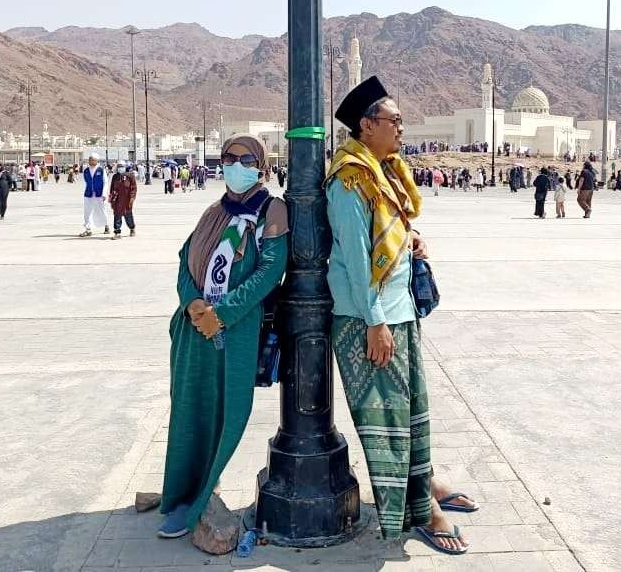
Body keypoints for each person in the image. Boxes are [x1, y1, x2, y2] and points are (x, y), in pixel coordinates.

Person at [325, 77, 471, 555]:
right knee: (387, 418)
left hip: (398, 311)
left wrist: (411, 240)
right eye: (395, 121)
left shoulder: (384, 172)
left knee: (412, 411)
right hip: (369, 319)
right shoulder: (351, 178)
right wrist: (374, 322)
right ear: (367, 127)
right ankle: (416, 511)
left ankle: (424, 485)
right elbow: (356, 256)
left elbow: (388, 234)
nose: (402, 129)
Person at [158, 135, 289, 542]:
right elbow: (185, 260)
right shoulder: (213, 212)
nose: (234, 164)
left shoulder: (272, 210)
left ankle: (199, 501)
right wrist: (193, 303)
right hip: (192, 327)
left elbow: (270, 270)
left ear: (260, 165)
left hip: (233, 330)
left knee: (225, 412)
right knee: (188, 410)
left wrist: (223, 313)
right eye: (227, 158)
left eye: (244, 158)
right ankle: (181, 496)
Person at [79, 153, 110, 237]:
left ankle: (106, 226)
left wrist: (104, 194)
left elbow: (105, 182)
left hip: (99, 194)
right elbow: (86, 182)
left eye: (93, 160)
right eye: (90, 160)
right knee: (87, 212)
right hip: (88, 194)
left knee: (102, 210)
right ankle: (88, 229)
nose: (91, 161)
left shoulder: (101, 170)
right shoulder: (85, 171)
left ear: (96, 161)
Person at [109, 161, 137, 239]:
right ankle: (117, 232)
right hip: (117, 200)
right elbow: (112, 188)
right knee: (117, 216)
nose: (120, 168)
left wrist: (132, 197)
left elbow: (134, 188)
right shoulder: (115, 176)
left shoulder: (130, 176)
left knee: (128, 216)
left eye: (122, 166)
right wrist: (111, 199)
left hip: (127, 200)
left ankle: (132, 228)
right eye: (119, 166)